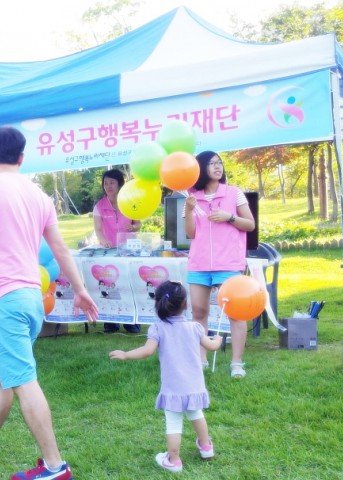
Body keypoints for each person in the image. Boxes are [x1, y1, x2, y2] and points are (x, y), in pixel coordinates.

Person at [0, 126, 99, 479]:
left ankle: (54, 466)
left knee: (23, 380)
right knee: (4, 378)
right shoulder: (39, 196)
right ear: (22, 157)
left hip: (4, 300)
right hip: (31, 299)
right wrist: (79, 289)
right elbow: (61, 249)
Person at [109, 281, 223, 473]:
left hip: (173, 388)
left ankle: (174, 460)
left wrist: (126, 354)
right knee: (196, 414)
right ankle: (206, 447)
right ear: (185, 304)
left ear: (159, 304)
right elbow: (211, 347)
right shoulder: (195, 327)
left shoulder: (157, 328)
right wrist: (218, 340)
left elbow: (147, 351)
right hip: (194, 385)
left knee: (173, 423)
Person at [184, 151, 255, 378]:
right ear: (201, 168)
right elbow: (191, 233)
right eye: (212, 163)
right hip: (199, 264)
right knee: (199, 311)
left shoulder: (234, 193)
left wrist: (229, 217)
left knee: (236, 313)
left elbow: (250, 225)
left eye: (220, 163)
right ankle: (202, 359)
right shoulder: (193, 197)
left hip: (228, 263)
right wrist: (187, 209)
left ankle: (237, 363)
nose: (218, 167)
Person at [93, 168, 141, 334]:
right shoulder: (99, 206)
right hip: (109, 252)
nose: (108, 186)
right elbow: (98, 229)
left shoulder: (129, 201)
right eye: (105, 183)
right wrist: (103, 240)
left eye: (112, 182)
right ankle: (111, 322)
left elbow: (138, 224)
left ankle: (132, 322)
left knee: (129, 284)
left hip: (129, 251)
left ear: (120, 184)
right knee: (109, 284)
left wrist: (133, 226)